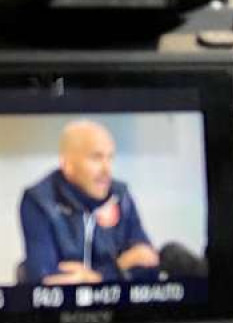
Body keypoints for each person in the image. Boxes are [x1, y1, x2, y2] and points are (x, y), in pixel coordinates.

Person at [19, 120, 159, 285]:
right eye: (96, 158)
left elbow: (148, 262)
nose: (107, 169)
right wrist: (122, 266)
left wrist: (100, 276)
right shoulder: (39, 201)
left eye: (110, 158)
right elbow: (47, 279)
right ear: (68, 165)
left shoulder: (120, 195)